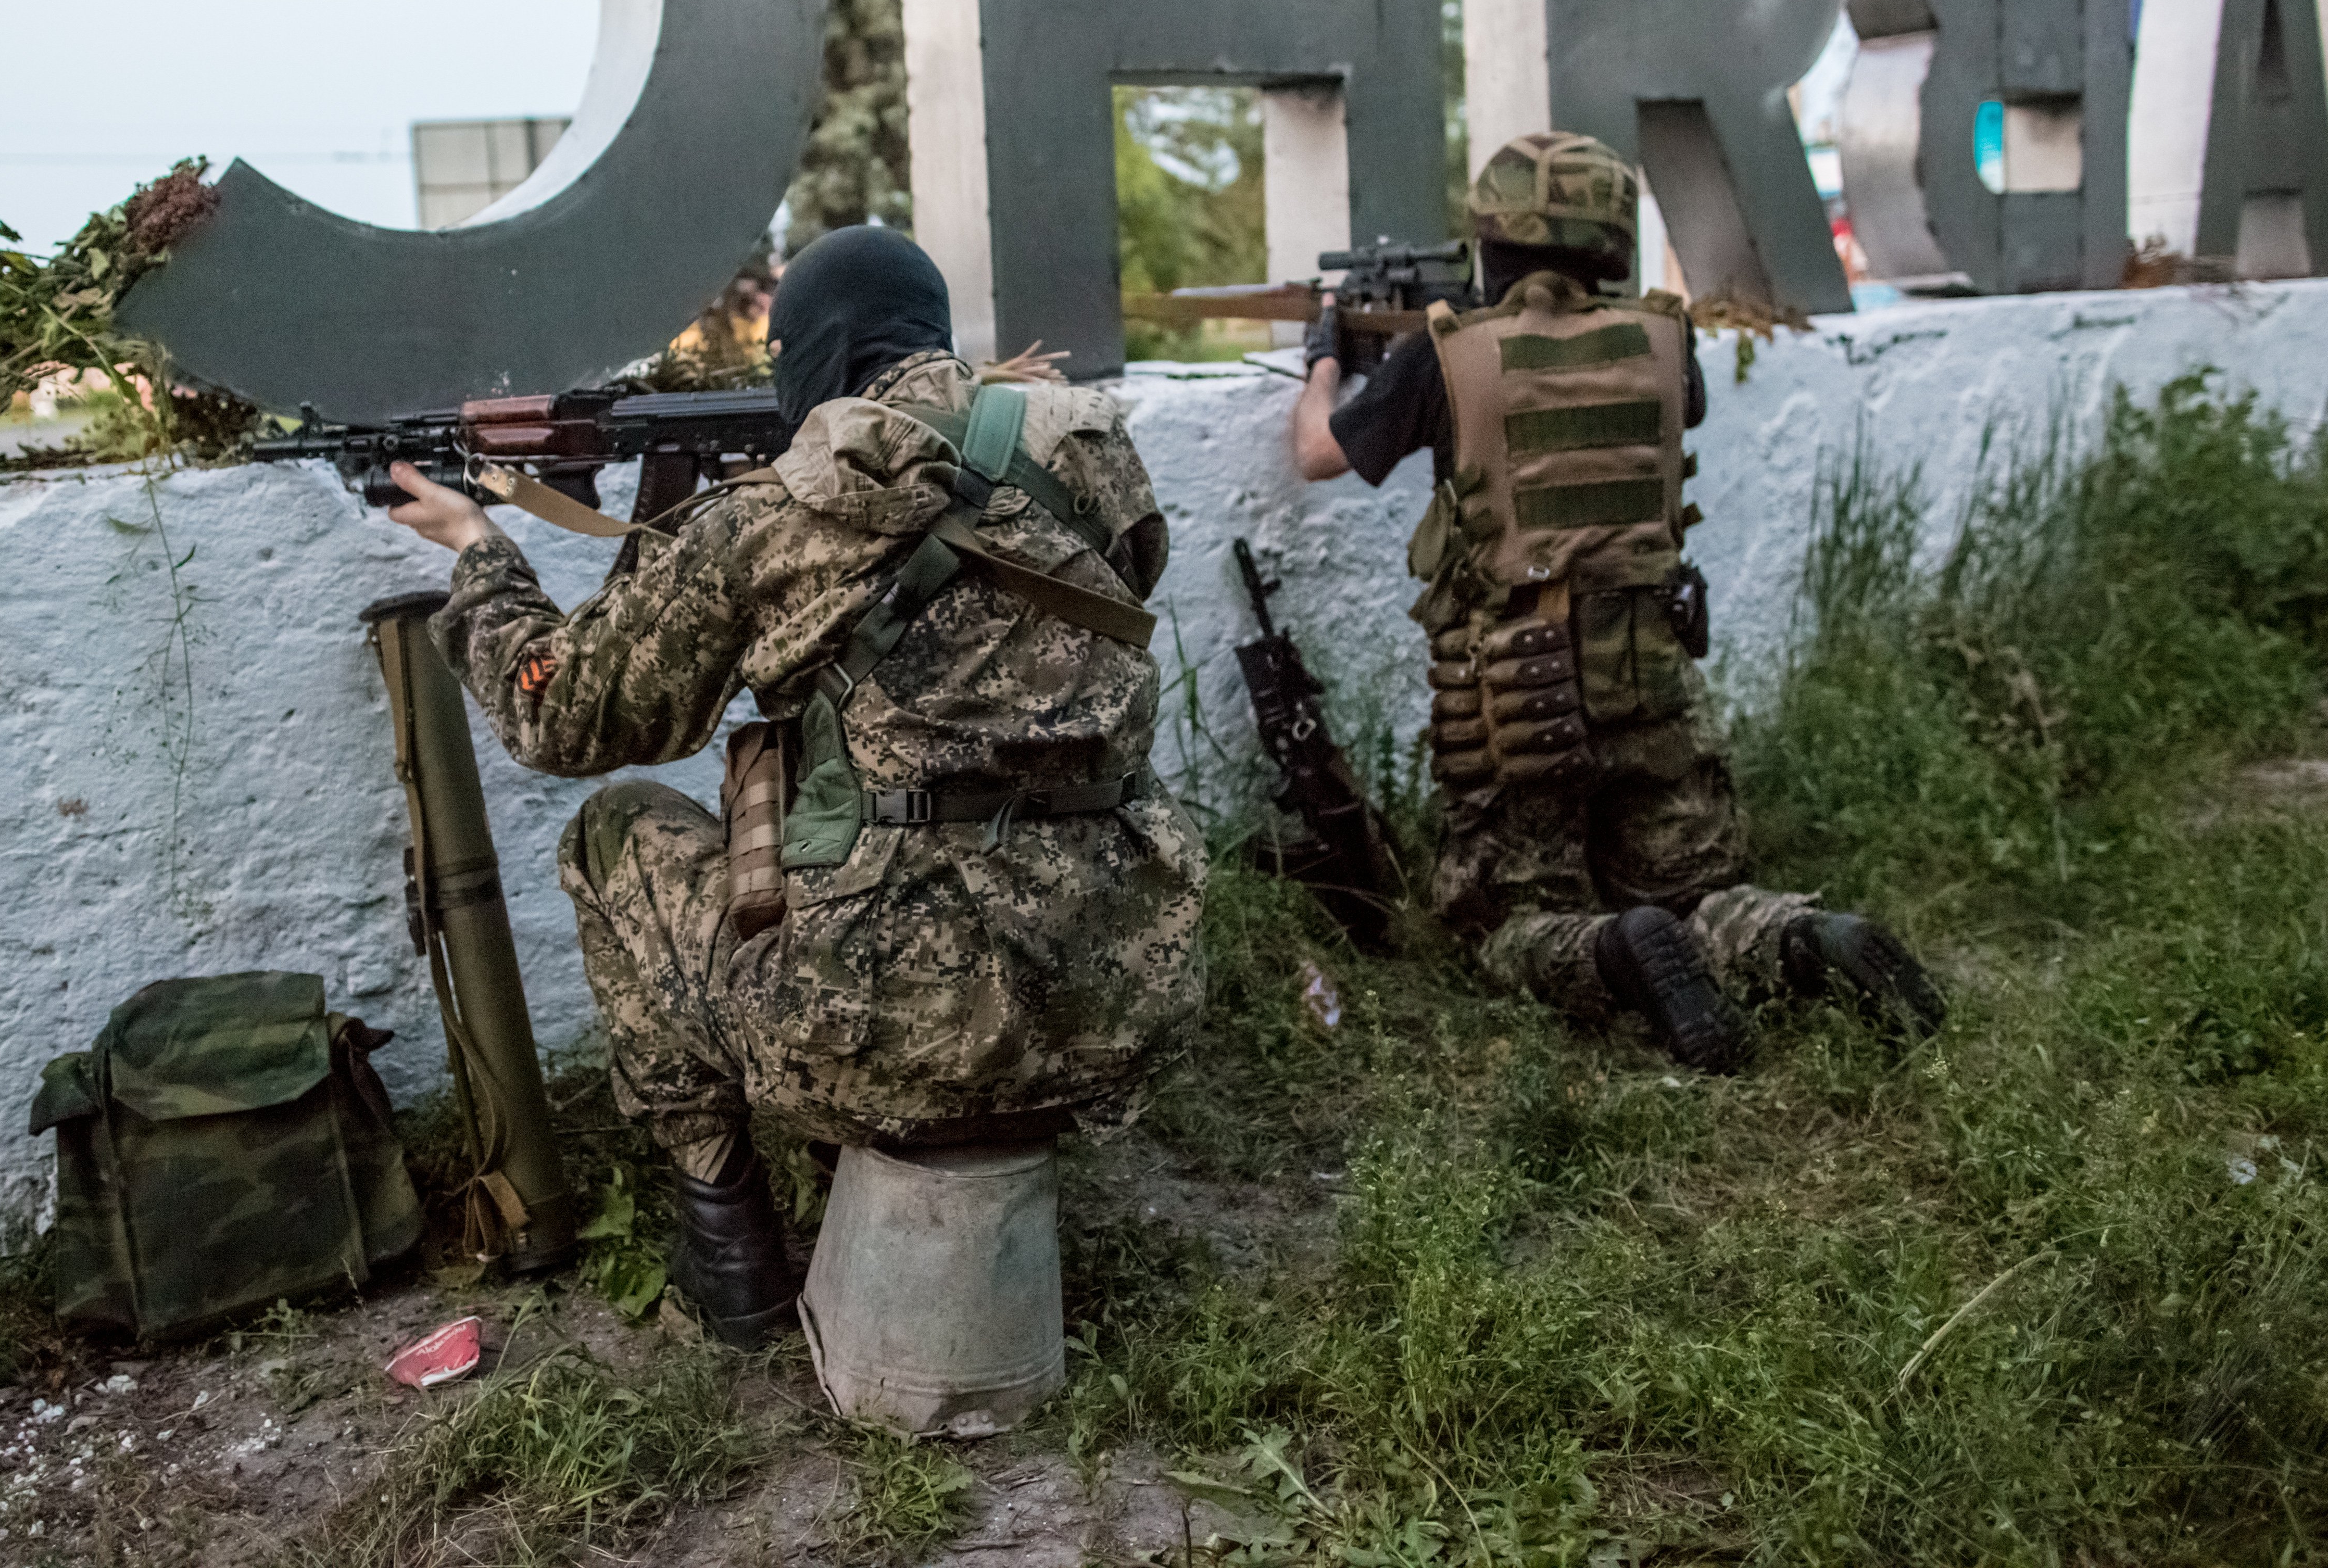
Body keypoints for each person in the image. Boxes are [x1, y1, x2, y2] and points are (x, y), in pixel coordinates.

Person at [384, 226, 1206, 1345]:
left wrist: (479, 547)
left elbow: (558, 714)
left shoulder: (770, 516)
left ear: (812, 353)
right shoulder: (1095, 453)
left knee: (615, 831)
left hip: (880, 1028)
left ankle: (736, 1272)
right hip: (1115, 996)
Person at [1287, 131, 1943, 1071]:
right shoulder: (1666, 342)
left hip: (1516, 702)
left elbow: (1319, 456)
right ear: (1611, 247)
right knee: (1700, 891)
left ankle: (1612, 950)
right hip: (1651, 679)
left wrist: (1324, 360)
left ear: (1494, 244)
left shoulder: (1450, 357)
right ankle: (1796, 940)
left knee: (1506, 920)